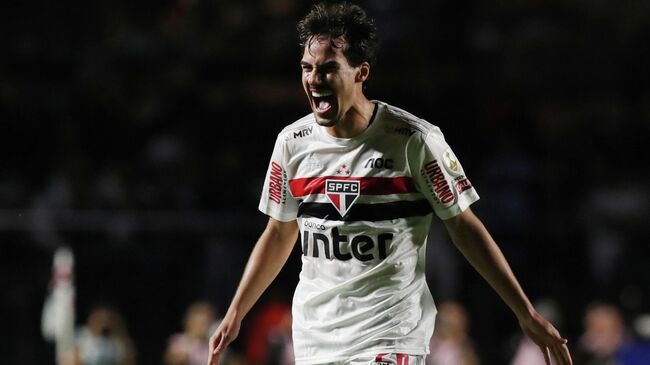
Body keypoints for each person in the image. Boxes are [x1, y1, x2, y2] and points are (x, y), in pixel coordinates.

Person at [208, 2, 573, 365]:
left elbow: (463, 225)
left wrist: (524, 312)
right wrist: (236, 311)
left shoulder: (414, 139)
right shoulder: (293, 142)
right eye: (307, 67)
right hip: (315, 336)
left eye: (329, 68)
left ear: (361, 72)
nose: (314, 79)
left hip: (389, 334)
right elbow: (278, 232)